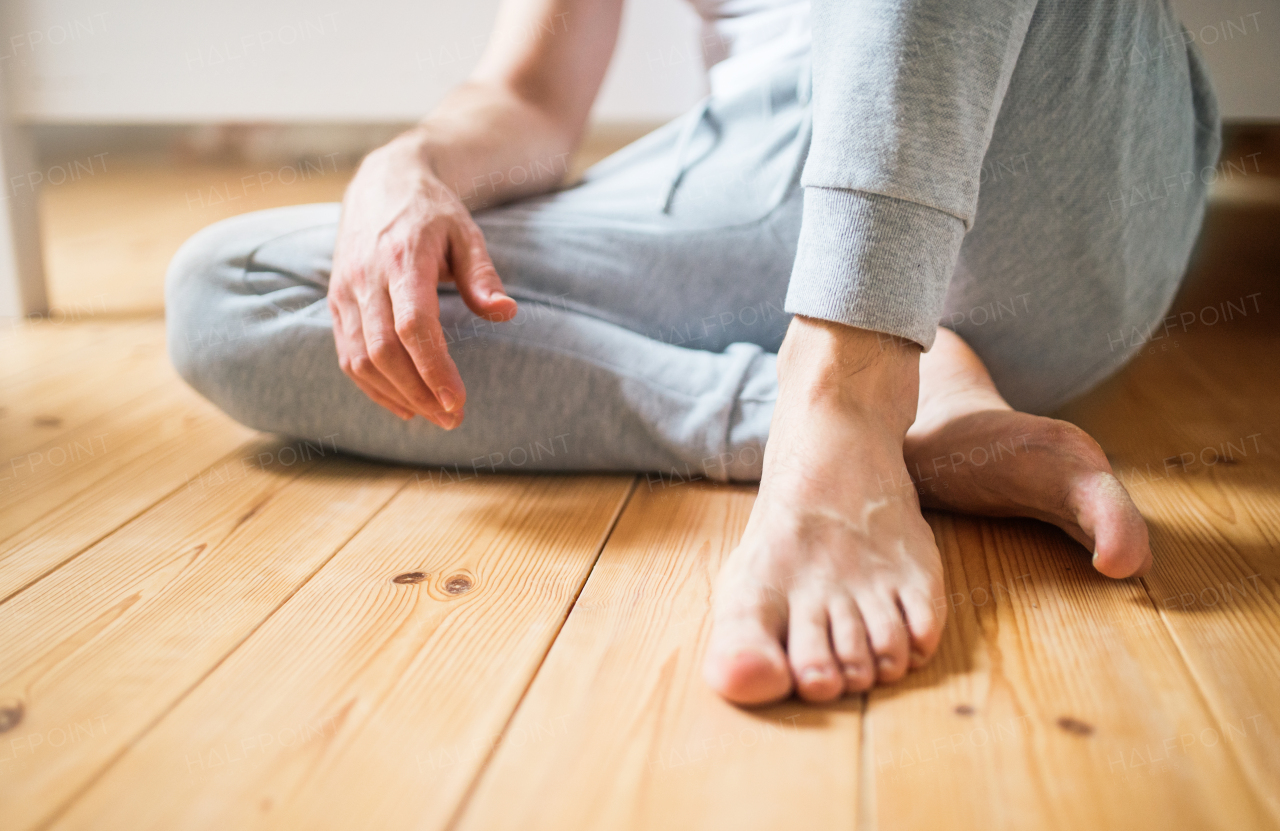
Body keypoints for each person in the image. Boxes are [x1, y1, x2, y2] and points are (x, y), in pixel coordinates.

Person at [166, 0, 1219, 705]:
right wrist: (410, 166)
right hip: (751, 191)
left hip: (1038, 165)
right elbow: (530, 98)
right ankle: (891, 420)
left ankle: (850, 397)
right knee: (230, 290)